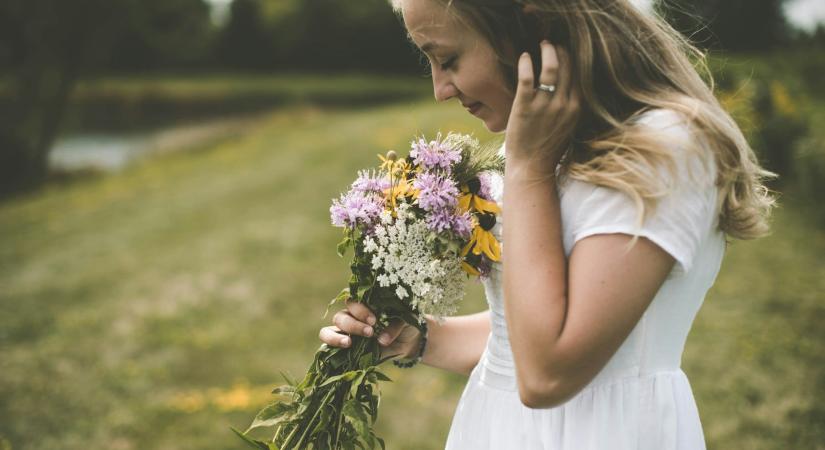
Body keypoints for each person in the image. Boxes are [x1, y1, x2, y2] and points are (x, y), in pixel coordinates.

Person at [318, 0, 775, 448]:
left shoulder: (660, 151)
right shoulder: (537, 147)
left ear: (527, 26)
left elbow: (547, 372)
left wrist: (529, 168)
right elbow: (516, 334)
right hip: (496, 428)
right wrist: (419, 340)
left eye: (448, 59)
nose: (440, 88)